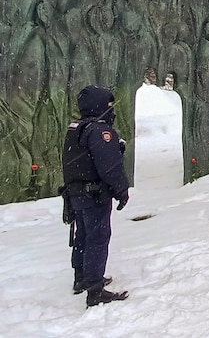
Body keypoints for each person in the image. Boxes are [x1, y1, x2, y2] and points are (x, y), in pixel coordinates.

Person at [61, 85, 131, 307]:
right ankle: (95, 289)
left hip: (76, 195)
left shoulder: (76, 128)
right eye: (109, 105)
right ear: (100, 106)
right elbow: (109, 166)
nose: (111, 110)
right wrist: (121, 189)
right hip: (95, 195)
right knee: (97, 238)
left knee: (83, 236)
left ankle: (81, 277)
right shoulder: (101, 132)